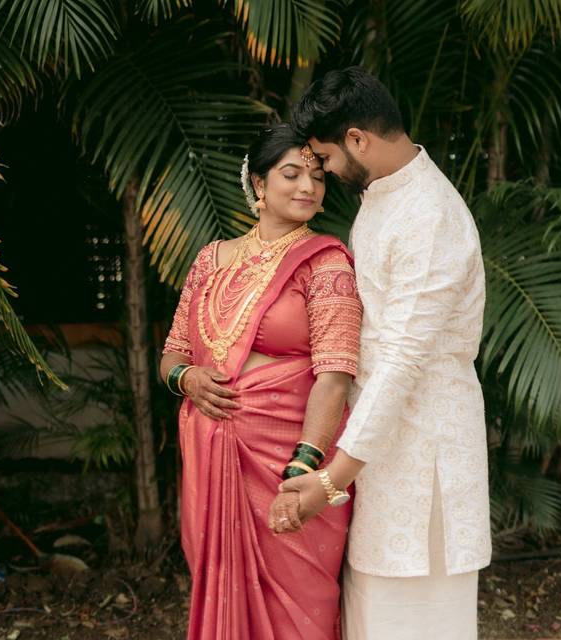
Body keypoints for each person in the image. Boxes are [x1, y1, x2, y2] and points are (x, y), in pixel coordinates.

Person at [277, 66, 491, 640]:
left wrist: (330, 481)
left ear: (357, 140)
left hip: (427, 458)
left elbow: (400, 360)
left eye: (324, 157)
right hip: (379, 448)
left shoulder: (430, 217)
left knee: (415, 623)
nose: (322, 172)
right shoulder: (385, 197)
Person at [159, 123, 363, 640]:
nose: (307, 187)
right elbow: (172, 352)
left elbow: (335, 374)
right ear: (257, 182)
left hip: (291, 458)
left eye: (317, 177)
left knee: (302, 611)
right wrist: (187, 378)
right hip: (212, 454)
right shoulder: (210, 259)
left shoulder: (326, 260)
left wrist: (303, 468)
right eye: (291, 174)